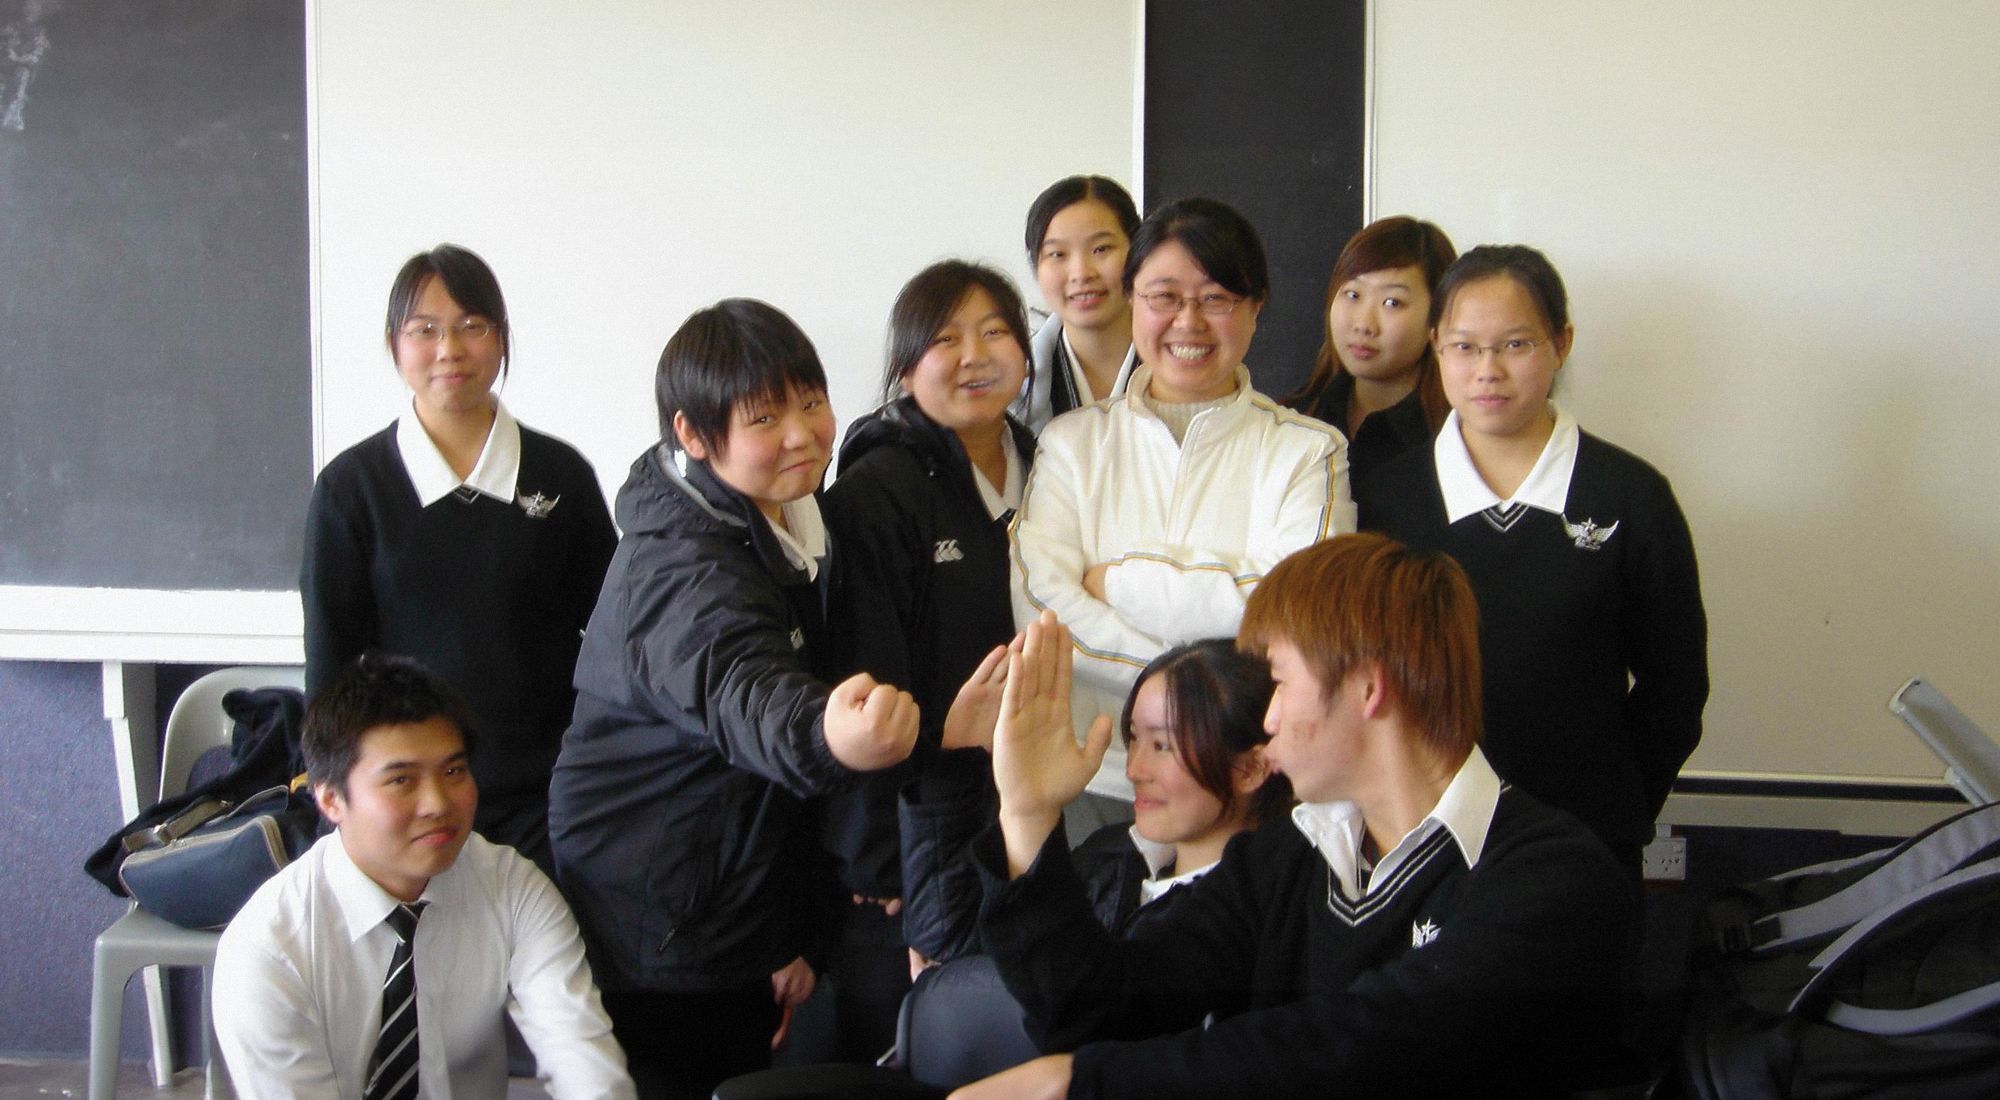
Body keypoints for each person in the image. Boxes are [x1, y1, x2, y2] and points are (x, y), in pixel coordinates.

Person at [951, 538, 1638, 1100]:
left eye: (1277, 681)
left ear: (1369, 686)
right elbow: (1102, 1007)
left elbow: (1364, 1047)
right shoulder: (1290, 856)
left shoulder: (1553, 878)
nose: (1267, 720)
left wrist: (1085, 1082)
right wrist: (1029, 813)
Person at [549, 299, 994, 1099]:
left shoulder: (785, 514)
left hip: (733, 896)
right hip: (662, 926)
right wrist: (834, 736)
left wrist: (785, 935)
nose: (803, 433)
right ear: (692, 434)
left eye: (811, 401)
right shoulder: (682, 570)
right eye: (764, 417)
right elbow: (749, 695)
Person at [1360, 245, 1709, 869]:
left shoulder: (1629, 494)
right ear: (1436, 346)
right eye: (1464, 347)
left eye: (1516, 345)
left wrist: (1617, 811)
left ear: (1561, 343)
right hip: (1416, 840)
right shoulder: (1384, 499)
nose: (1487, 370)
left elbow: (1675, 685)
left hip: (1585, 842)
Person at [1010, 196, 1353, 799]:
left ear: (1254, 309)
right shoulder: (1071, 444)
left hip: (1248, 777)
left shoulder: (1310, 451)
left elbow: (1298, 617)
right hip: (1096, 774)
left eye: (1216, 298)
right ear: (1133, 301)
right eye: (1163, 297)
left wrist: (1116, 582)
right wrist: (1213, 658)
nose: (1188, 322)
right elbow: (1045, 614)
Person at [300, 244, 616, 875]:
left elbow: (618, 635)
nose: (450, 349)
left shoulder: (560, 475)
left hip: (549, 797)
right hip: (410, 804)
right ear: (395, 345)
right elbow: (331, 664)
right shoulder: (351, 489)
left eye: (473, 326)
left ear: (501, 341)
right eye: (426, 330)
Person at [213, 654, 633, 1100]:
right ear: (331, 800)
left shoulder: (511, 889)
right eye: (401, 781)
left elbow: (582, 1056)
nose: (437, 803)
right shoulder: (270, 948)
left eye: (453, 772)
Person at [819, 260, 1036, 1054]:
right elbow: (860, 686)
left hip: (1026, 822)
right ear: (906, 368)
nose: (974, 356)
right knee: (916, 1053)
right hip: (915, 852)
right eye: (945, 339)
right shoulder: (877, 493)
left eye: (995, 333)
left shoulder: (1047, 467)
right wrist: (881, 865)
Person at [901, 638, 1288, 966]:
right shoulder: (1115, 857)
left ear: (1250, 769)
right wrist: (955, 766)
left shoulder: (1271, 913)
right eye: (1134, 738)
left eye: (1162, 745)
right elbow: (948, 939)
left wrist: (1030, 814)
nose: (1135, 769)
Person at [1285, 216, 1457, 489]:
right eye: (1353, 295)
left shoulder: (1455, 442)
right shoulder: (1292, 422)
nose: (1364, 324)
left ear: (1437, 317)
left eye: (1392, 303)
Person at [1013, 175, 1143, 432]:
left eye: (1101, 249)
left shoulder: (1183, 365)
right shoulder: (1012, 385)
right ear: (1036, 265)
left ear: (1139, 252)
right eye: (1057, 254)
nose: (1081, 273)